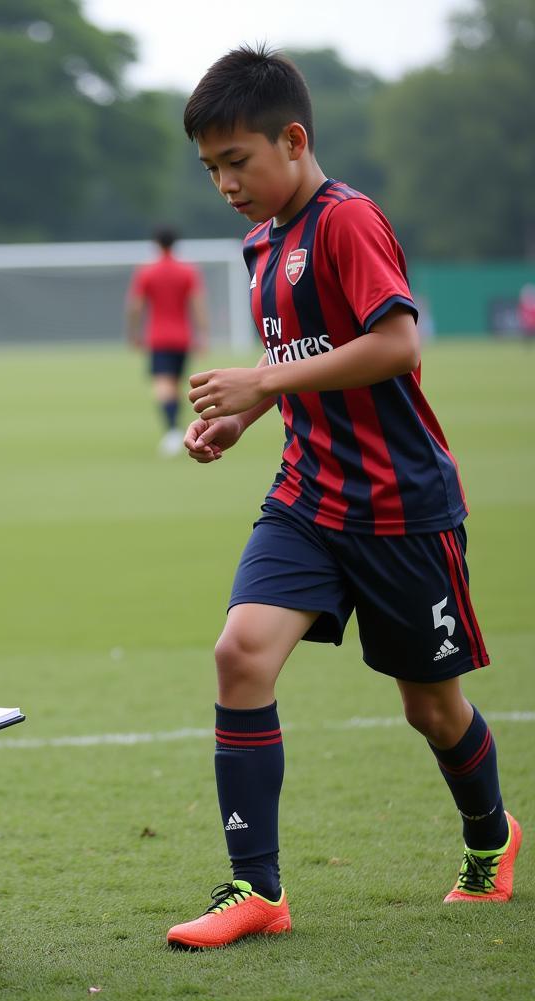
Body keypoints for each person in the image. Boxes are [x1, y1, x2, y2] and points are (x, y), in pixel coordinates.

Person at [165, 46, 520, 952]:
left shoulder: (347, 222)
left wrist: (257, 385)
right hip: (309, 499)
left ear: (294, 139)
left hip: (403, 508)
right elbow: (300, 367)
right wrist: (247, 414)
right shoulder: (259, 244)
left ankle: (492, 837)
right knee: (240, 653)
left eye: (237, 162)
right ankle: (258, 888)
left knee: (430, 708)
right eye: (211, 169)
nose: (225, 186)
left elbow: (397, 344)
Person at [126, 227, 209, 456]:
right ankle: (176, 429)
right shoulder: (188, 270)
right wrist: (202, 334)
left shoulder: (147, 271)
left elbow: (136, 305)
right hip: (182, 337)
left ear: (155, 243)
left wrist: (133, 333)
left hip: (159, 337)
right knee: (175, 385)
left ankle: (172, 430)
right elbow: (198, 304)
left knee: (163, 386)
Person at [517, 283, 535, 348]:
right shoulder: (524, 305)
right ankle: (527, 346)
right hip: (528, 324)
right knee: (527, 335)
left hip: (532, 323)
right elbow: (522, 314)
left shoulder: (532, 306)